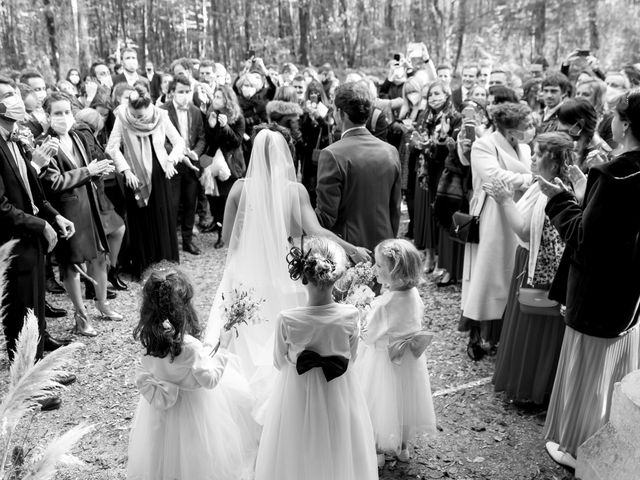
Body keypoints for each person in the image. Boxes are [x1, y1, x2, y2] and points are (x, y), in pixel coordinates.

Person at [206, 127, 370, 414]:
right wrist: (352, 249)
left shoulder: (238, 189)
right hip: (282, 269)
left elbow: (229, 239)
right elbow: (317, 231)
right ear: (284, 156)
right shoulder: (294, 191)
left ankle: (236, 399)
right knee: (280, 327)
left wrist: (234, 272)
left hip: (243, 270)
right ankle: (286, 391)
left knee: (241, 333)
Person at [538, 89, 640, 469]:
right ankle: (612, 433)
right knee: (615, 370)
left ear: (625, 124)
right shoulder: (624, 170)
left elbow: (585, 240)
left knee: (588, 372)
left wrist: (557, 200)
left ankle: (577, 446)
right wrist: (586, 192)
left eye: (615, 115)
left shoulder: (614, 172)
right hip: (629, 291)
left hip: (598, 291)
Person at [254, 237, 378, 480]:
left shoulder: (287, 319)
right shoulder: (350, 315)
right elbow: (351, 358)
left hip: (296, 393)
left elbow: (279, 363)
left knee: (295, 446)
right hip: (339, 391)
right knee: (339, 442)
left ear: (302, 275)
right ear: (338, 275)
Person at [127, 266, 259, 480]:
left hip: (162, 415)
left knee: (165, 455)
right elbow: (209, 380)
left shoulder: (149, 341)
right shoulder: (189, 346)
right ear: (183, 308)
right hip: (196, 413)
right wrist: (222, 349)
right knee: (197, 457)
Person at [0, 76, 76, 410]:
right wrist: (40, 224)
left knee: (36, 305)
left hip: (34, 237)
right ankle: (27, 389)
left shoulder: (16, 139)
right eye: (8, 95)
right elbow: (1, 207)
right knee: (19, 312)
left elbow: (34, 191)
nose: (17, 99)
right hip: (13, 241)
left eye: (15, 93)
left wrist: (54, 216)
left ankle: (41, 371)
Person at [485, 132, 573, 405]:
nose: (531, 159)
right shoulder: (542, 184)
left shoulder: (554, 190)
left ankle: (534, 388)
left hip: (539, 270)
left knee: (534, 325)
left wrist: (505, 200)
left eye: (537, 154)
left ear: (555, 161)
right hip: (528, 261)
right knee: (529, 321)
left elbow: (524, 229)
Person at [41, 93, 123, 336]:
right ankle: (81, 316)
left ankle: (102, 304)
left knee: (99, 256)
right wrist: (88, 170)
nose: (64, 117)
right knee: (72, 265)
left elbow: (88, 171)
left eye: (67, 112)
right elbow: (52, 182)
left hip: (90, 205)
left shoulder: (76, 136)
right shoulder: (44, 143)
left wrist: (98, 171)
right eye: (57, 113)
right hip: (66, 212)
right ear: (48, 116)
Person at [460, 102, 534, 361]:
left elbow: (514, 176)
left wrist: (524, 180)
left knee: (512, 267)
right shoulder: (484, 145)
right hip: (492, 214)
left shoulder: (524, 147)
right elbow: (494, 177)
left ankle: (506, 331)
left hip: (518, 209)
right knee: (490, 271)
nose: (530, 130)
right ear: (510, 130)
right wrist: (528, 179)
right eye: (527, 126)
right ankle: (483, 333)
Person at [355, 238, 436, 467]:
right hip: (410, 362)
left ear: (394, 271)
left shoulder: (384, 304)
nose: (374, 269)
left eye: (379, 266)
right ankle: (402, 447)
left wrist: (361, 316)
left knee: (379, 403)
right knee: (405, 402)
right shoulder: (414, 295)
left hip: (384, 362)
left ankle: (378, 450)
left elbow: (369, 335)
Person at [106, 82, 184, 279]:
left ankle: (166, 265)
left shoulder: (160, 115)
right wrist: (126, 171)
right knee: (140, 220)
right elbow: (112, 147)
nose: (140, 118)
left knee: (162, 217)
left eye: (143, 115)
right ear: (130, 109)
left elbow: (179, 142)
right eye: (137, 115)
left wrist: (171, 160)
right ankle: (145, 266)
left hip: (160, 173)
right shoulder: (122, 117)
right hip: (135, 176)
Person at [315, 82, 402, 253]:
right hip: (384, 246)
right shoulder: (390, 151)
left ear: (340, 113)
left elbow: (326, 217)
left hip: (348, 248)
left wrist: (299, 211)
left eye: (333, 109)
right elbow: (395, 209)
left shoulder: (332, 154)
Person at [409, 81, 460, 272]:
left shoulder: (454, 117)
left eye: (438, 94)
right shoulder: (424, 115)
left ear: (447, 95)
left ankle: (441, 258)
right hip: (425, 170)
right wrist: (417, 142)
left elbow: (452, 148)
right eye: (430, 95)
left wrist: (437, 142)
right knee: (426, 214)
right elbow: (418, 137)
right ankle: (429, 254)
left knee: (440, 212)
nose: (433, 98)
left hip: (443, 171)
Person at [161, 74, 206, 256]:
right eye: (181, 92)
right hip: (173, 162)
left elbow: (202, 137)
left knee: (190, 203)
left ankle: (187, 241)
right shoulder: (163, 110)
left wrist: (195, 152)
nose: (185, 95)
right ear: (172, 92)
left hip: (192, 164)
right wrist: (177, 152)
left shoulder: (195, 111)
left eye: (188, 91)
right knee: (172, 204)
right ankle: (171, 244)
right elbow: (161, 139)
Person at [201, 84, 246, 246]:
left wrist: (225, 126)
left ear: (227, 99)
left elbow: (236, 141)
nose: (215, 99)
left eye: (219, 97)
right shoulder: (212, 114)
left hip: (231, 165)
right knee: (215, 200)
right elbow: (210, 141)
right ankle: (221, 234)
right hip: (213, 165)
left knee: (229, 200)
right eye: (215, 96)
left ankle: (236, 233)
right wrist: (212, 127)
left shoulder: (238, 117)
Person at [556, 97, 611, 173]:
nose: (559, 127)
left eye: (564, 122)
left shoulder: (599, 156)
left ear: (580, 123)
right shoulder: (571, 144)